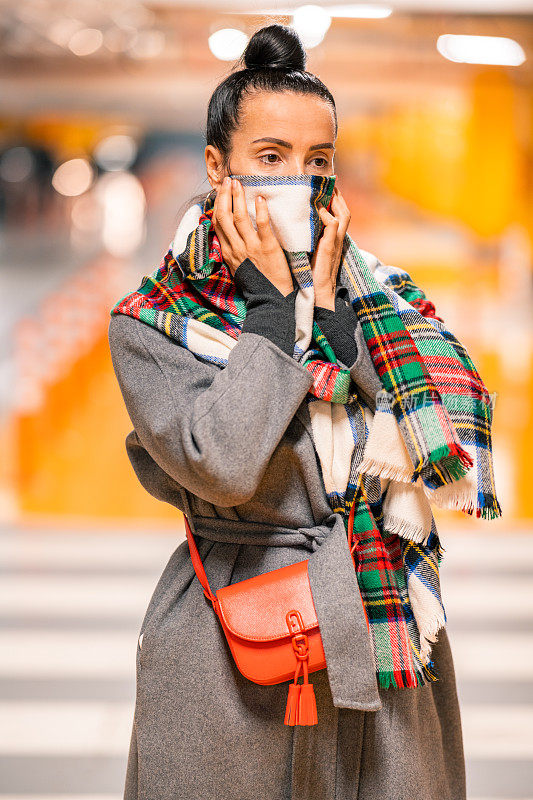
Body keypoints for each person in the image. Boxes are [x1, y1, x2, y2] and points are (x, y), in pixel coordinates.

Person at [108, 23, 475, 800]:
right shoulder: (152, 321)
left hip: (377, 619)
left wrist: (338, 318)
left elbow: (441, 429)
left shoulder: (379, 294)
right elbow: (225, 464)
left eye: (318, 161)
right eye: (269, 158)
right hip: (229, 637)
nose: (297, 182)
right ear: (218, 166)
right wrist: (272, 316)